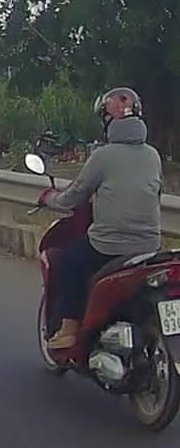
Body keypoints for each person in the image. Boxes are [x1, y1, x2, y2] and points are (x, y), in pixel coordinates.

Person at [41, 87, 162, 350]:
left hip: (109, 245)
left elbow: (75, 195)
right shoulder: (153, 155)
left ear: (107, 120)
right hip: (149, 246)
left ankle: (69, 329)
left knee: (70, 262)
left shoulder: (103, 156)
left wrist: (50, 199)